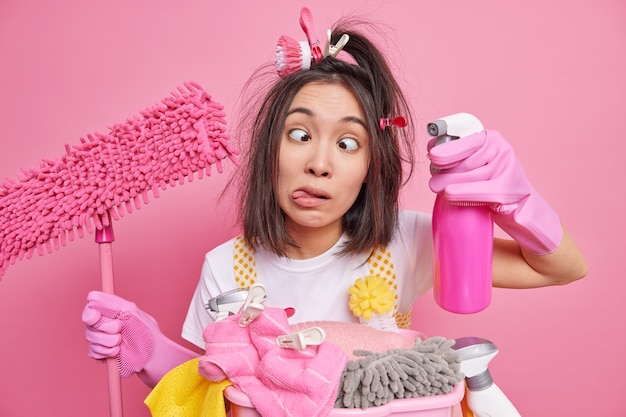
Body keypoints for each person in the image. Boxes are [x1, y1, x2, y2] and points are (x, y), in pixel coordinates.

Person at [82, 8, 587, 390]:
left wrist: (518, 205)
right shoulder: (225, 270)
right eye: (300, 135)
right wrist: (152, 351)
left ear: (371, 167)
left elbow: (561, 268)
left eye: (348, 143)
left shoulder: (404, 242)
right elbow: (212, 392)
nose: (319, 163)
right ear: (268, 151)